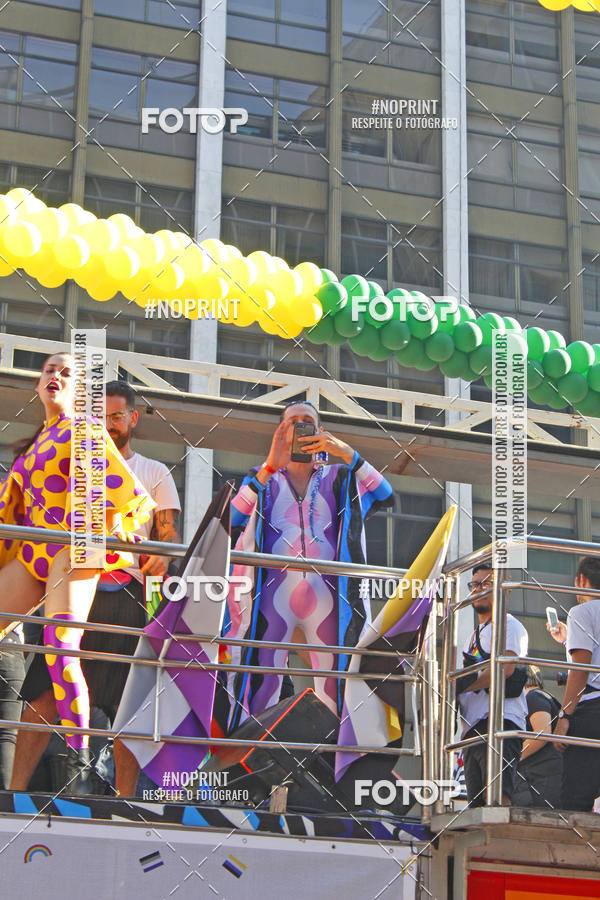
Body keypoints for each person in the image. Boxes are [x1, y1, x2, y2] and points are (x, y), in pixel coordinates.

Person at [11, 379, 181, 793]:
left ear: (132, 418)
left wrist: (163, 553)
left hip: (126, 593)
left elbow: (171, 534)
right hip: (68, 587)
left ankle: (124, 804)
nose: (108, 423)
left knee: (128, 705)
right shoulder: (68, 463)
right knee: (42, 697)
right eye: (100, 416)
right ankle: (12, 796)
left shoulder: (154, 471)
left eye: (116, 415)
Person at [225, 399, 393, 730]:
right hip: (272, 596)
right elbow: (230, 520)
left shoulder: (341, 477)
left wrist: (346, 452)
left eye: (307, 422)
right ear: (280, 431)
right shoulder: (262, 478)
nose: (300, 427)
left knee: (336, 685)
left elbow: (386, 495)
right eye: (292, 422)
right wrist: (269, 466)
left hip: (327, 597)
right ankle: (244, 759)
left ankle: (334, 762)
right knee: (260, 682)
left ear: (320, 431)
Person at [456, 563, 528, 807]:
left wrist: (460, 686)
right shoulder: (472, 635)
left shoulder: (509, 625)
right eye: (475, 584)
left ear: (503, 589)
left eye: (486, 584)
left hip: (499, 722)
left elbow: (504, 669)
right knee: (476, 805)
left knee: (498, 799)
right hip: (472, 727)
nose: (478, 590)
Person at [549, 556, 600, 812]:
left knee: (575, 801)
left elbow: (581, 669)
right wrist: (568, 640)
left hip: (592, 712)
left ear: (581, 580)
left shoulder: (582, 612)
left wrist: (564, 715)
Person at [511, 666, 562, 809]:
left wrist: (514, 758)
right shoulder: (543, 696)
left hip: (541, 772)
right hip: (543, 771)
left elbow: (542, 733)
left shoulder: (533, 697)